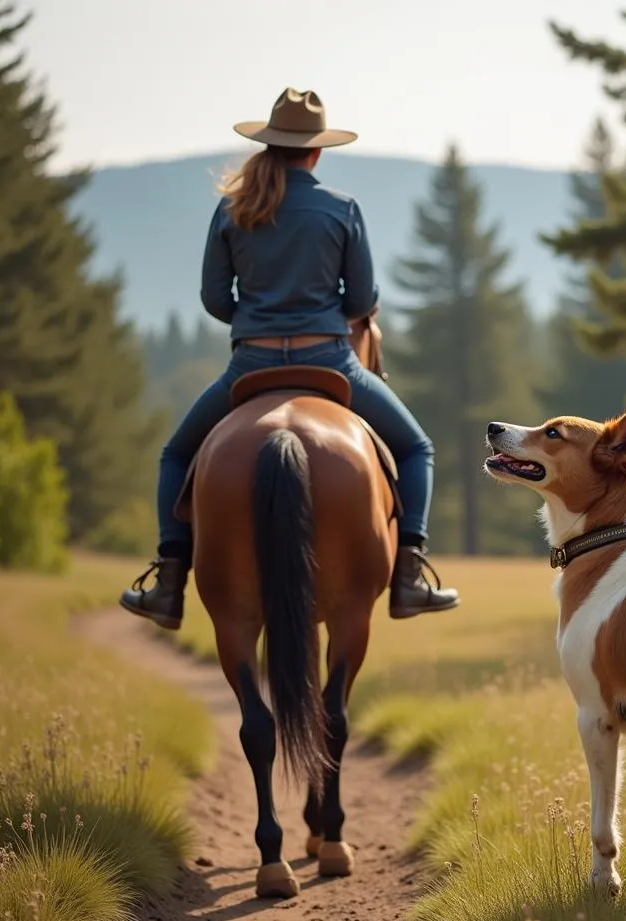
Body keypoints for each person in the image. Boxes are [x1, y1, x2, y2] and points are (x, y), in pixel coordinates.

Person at [120, 88, 459, 629]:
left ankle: (167, 583)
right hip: (331, 361)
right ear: (316, 152)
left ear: (270, 145)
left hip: (249, 365)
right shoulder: (342, 208)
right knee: (416, 447)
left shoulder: (233, 207)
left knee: (175, 455)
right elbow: (359, 302)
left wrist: (258, 320)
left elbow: (214, 299)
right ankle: (409, 577)